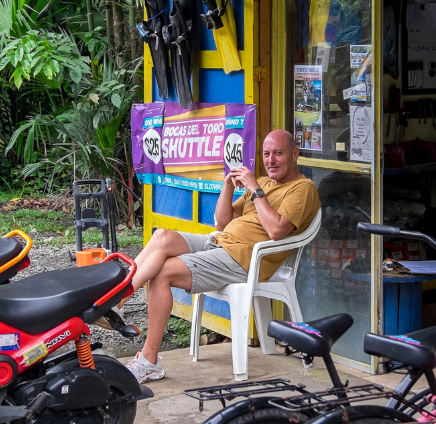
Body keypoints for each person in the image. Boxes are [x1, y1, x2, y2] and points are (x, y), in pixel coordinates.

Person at [124, 130, 321, 383]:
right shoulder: (264, 183)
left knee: (162, 272)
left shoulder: (303, 189)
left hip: (243, 259)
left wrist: (255, 189)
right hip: (219, 243)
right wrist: (227, 186)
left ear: (295, 154)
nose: (271, 160)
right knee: (162, 236)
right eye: (266, 154)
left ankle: (149, 361)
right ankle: (118, 300)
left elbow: (276, 231)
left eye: (278, 153)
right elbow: (222, 222)